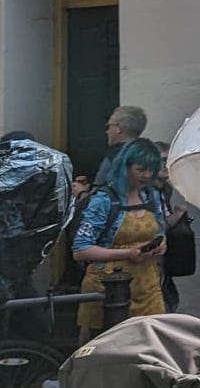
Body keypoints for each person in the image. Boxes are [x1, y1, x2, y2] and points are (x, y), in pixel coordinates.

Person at [72, 135, 167, 336]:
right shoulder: (105, 200)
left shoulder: (152, 196)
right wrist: (127, 254)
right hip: (107, 287)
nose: (147, 175)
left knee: (151, 342)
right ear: (125, 166)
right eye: (140, 169)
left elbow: (160, 231)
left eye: (151, 170)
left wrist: (160, 245)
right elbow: (81, 250)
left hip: (147, 284)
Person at [153, 140, 189, 312]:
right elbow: (157, 226)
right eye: (162, 160)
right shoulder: (148, 190)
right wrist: (177, 215)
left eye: (169, 160)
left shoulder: (165, 188)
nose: (166, 165)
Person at [93, 105, 148, 186]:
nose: (107, 131)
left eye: (109, 126)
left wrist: (81, 192)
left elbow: (98, 191)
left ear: (118, 129)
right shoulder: (149, 154)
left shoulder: (115, 156)